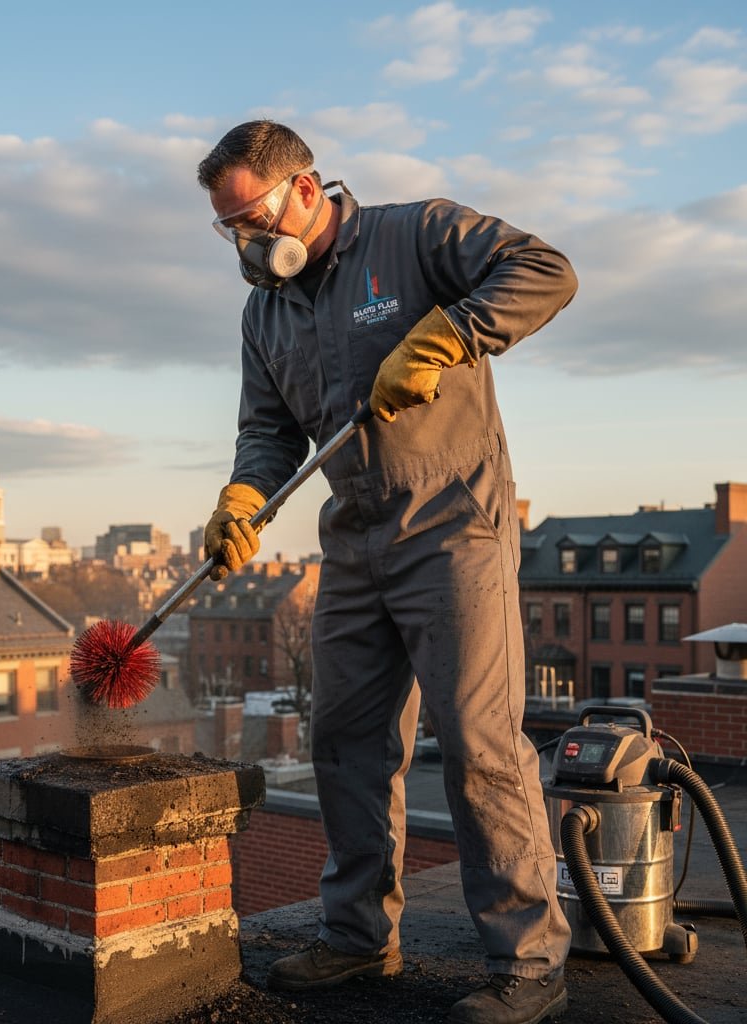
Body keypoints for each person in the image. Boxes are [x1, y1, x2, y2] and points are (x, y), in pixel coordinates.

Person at [196, 120, 576, 1024]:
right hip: (354, 540)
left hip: (453, 528)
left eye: (251, 218)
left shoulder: (416, 237)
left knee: (479, 747)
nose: (245, 242)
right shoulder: (267, 312)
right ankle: (359, 940)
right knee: (346, 743)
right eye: (228, 230)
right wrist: (245, 495)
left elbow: (548, 269)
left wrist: (450, 333)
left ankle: (528, 965)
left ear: (305, 188)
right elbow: (268, 431)